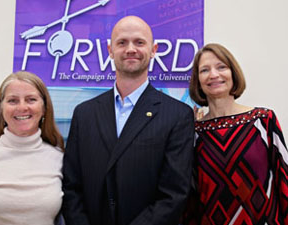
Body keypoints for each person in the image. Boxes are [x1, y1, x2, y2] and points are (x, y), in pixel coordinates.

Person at [62, 16, 194, 225]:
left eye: (139, 42)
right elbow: (71, 187)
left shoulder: (178, 115)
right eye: (122, 42)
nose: (130, 49)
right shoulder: (84, 114)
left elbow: (174, 194)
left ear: (154, 50)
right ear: (110, 50)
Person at [185, 43, 288, 224]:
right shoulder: (194, 133)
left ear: (233, 73)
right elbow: (191, 199)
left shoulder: (263, 120)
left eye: (221, 67)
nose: (214, 75)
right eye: (204, 70)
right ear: (197, 80)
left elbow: (284, 180)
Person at [0, 71, 64, 225]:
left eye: (31, 99)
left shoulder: (59, 160)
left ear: (44, 108)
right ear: (1, 109)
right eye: (13, 101)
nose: (22, 107)